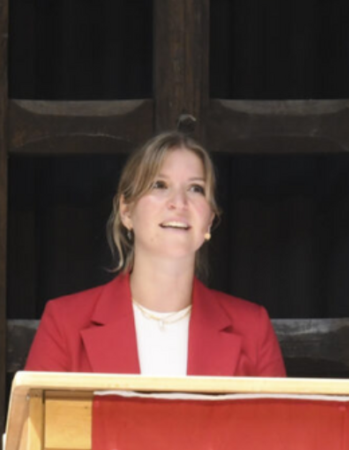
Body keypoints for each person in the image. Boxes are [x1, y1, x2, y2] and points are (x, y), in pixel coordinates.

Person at [24, 132, 286, 377]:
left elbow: (277, 415)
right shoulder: (64, 323)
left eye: (196, 188)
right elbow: (38, 414)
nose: (179, 203)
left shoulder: (253, 329)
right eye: (160, 185)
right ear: (126, 211)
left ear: (210, 220)